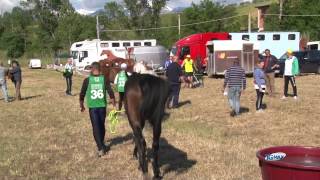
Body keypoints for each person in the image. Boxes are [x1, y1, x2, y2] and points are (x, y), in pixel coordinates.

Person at [80, 62, 116, 158]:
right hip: (102, 107)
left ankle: (100, 147)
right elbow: (110, 92)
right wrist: (113, 103)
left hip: (93, 107)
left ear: (92, 69)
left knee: (96, 127)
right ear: (99, 69)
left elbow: (82, 94)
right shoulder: (104, 79)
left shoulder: (87, 80)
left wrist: (81, 105)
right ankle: (101, 145)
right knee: (101, 125)